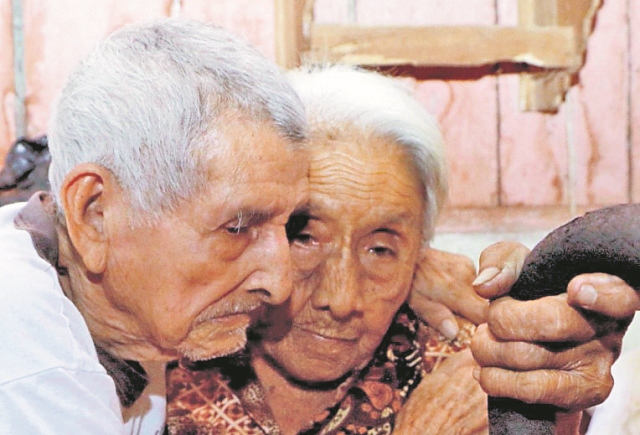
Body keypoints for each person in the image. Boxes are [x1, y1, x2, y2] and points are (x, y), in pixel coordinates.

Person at [165, 65, 636, 435]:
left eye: (381, 249)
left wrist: (551, 399)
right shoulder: (166, 354)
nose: (342, 299)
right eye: (304, 236)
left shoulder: (470, 369)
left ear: (421, 253)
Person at [0, 19, 309, 435]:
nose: (280, 283)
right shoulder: (34, 370)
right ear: (94, 214)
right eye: (236, 228)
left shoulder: (128, 323)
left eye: (289, 227)